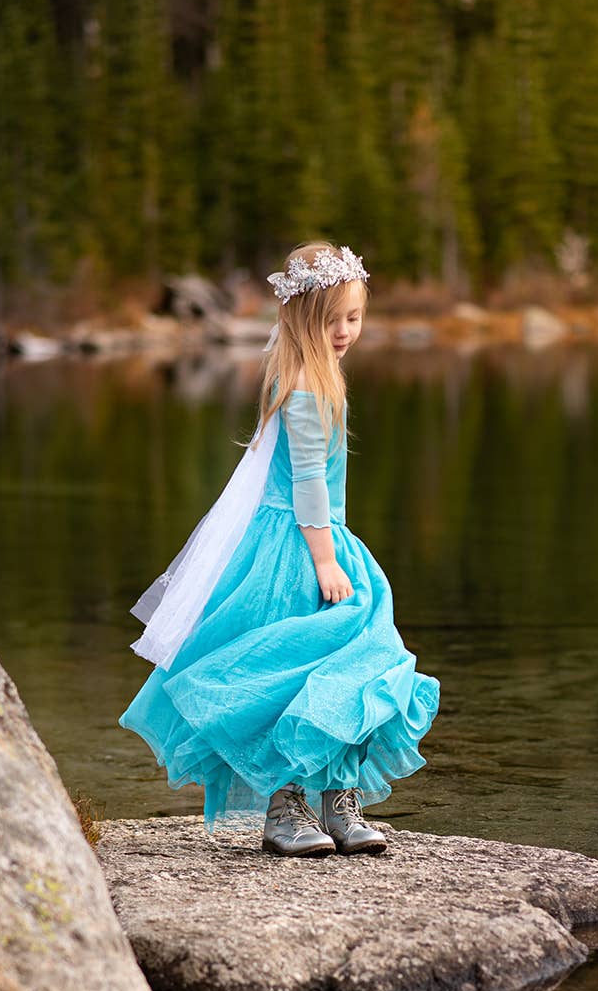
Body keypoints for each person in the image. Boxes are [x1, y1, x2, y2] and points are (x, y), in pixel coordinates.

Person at [118, 240, 440, 858]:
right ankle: (285, 807)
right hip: (299, 546)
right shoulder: (304, 387)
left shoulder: (308, 371)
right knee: (294, 667)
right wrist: (325, 560)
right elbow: (309, 481)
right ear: (300, 321)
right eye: (331, 320)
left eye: (354, 317)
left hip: (317, 535)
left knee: (350, 661)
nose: (344, 332)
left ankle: (337, 797)